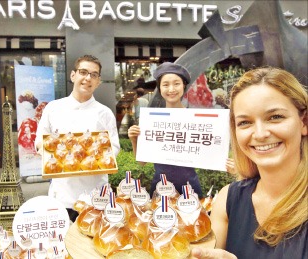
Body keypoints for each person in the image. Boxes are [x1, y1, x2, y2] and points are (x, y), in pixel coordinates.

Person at [192, 67, 307, 259]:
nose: (260, 134)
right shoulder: (228, 199)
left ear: (304, 122)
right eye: (245, 122)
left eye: (275, 117)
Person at [35, 55, 120, 222]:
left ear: (98, 81)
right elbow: (40, 141)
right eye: (83, 72)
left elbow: (114, 147)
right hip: (62, 195)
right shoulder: (53, 108)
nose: (88, 78)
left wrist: (97, 158)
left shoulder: (105, 113)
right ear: (73, 75)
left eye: (94, 75)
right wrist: (46, 153)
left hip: (96, 196)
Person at [128, 62, 203, 198]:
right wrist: (134, 140)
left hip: (190, 188)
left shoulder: (196, 120)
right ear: (160, 88)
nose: (171, 89)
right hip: (161, 188)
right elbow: (141, 162)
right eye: (166, 85)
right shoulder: (153, 121)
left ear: (184, 85)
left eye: (176, 83)